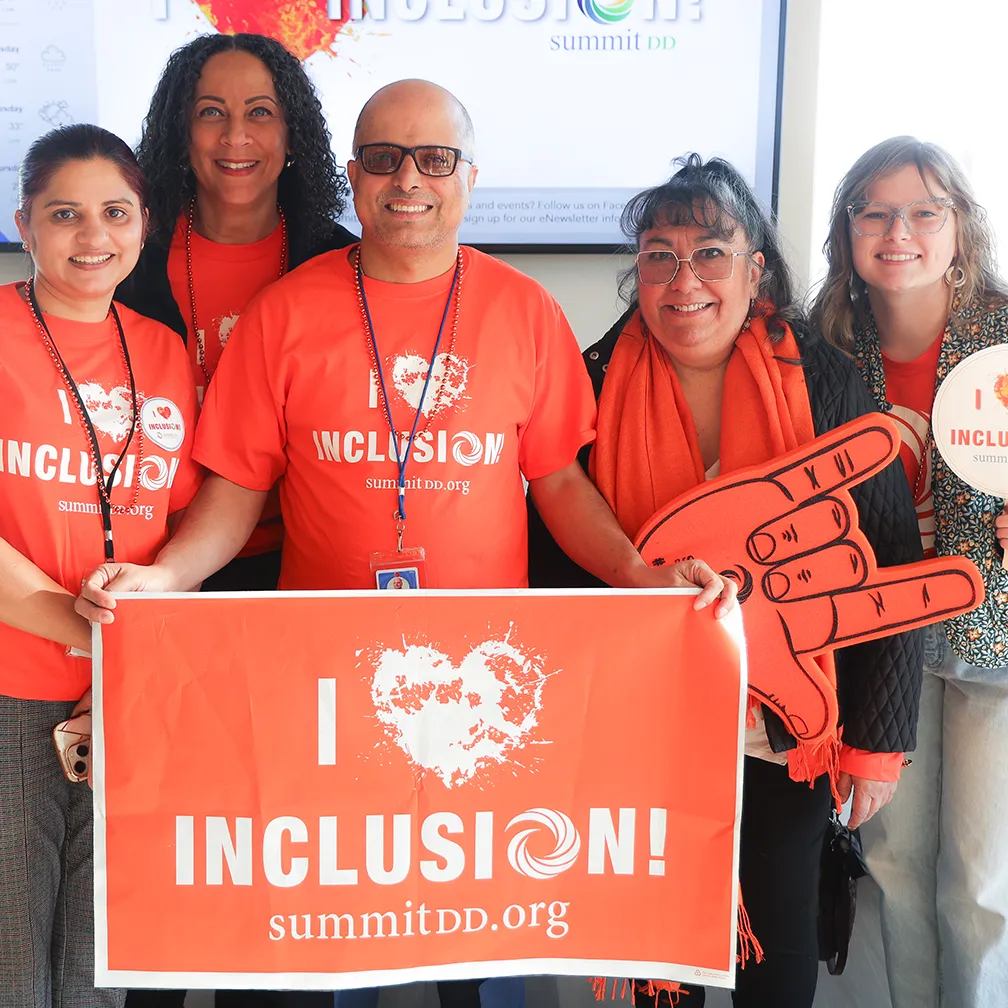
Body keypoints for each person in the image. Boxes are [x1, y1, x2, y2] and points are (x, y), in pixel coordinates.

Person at [75, 81, 735, 1008]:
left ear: (470, 176)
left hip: (485, 693)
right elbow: (238, 492)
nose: (408, 180)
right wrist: (164, 579)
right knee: (315, 938)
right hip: (322, 691)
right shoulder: (286, 312)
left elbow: (557, 482)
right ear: (352, 174)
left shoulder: (526, 312)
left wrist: (638, 575)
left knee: (477, 948)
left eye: (434, 159)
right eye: (383, 158)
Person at [527, 155, 925, 1008]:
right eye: (659, 255)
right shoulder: (593, 379)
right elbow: (554, 551)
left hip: (784, 718)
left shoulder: (822, 382)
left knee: (776, 932)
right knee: (657, 931)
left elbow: (890, 559)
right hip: (641, 721)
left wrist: (877, 744)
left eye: (711, 252)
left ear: (757, 270)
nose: (684, 280)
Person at [0, 124, 202, 1008]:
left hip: (131, 698)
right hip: (13, 690)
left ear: (144, 225)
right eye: (65, 214)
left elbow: (182, 523)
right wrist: (94, 643)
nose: (93, 236)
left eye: (115, 213)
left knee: (99, 968)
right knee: (13, 963)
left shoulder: (164, 353)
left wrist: (121, 662)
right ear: (23, 224)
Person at [810, 136, 1008, 1008]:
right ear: (847, 231)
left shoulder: (1004, 335)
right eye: (875, 211)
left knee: (978, 883)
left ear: (961, 227)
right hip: (875, 645)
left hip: (991, 638)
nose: (900, 230)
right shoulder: (822, 349)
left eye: (926, 211)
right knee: (891, 864)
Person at [116, 31, 355, 594]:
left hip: (303, 565)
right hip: (149, 561)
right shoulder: (126, 261)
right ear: (181, 133)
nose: (236, 135)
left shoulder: (341, 264)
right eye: (211, 112)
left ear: (292, 132)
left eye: (261, 112)